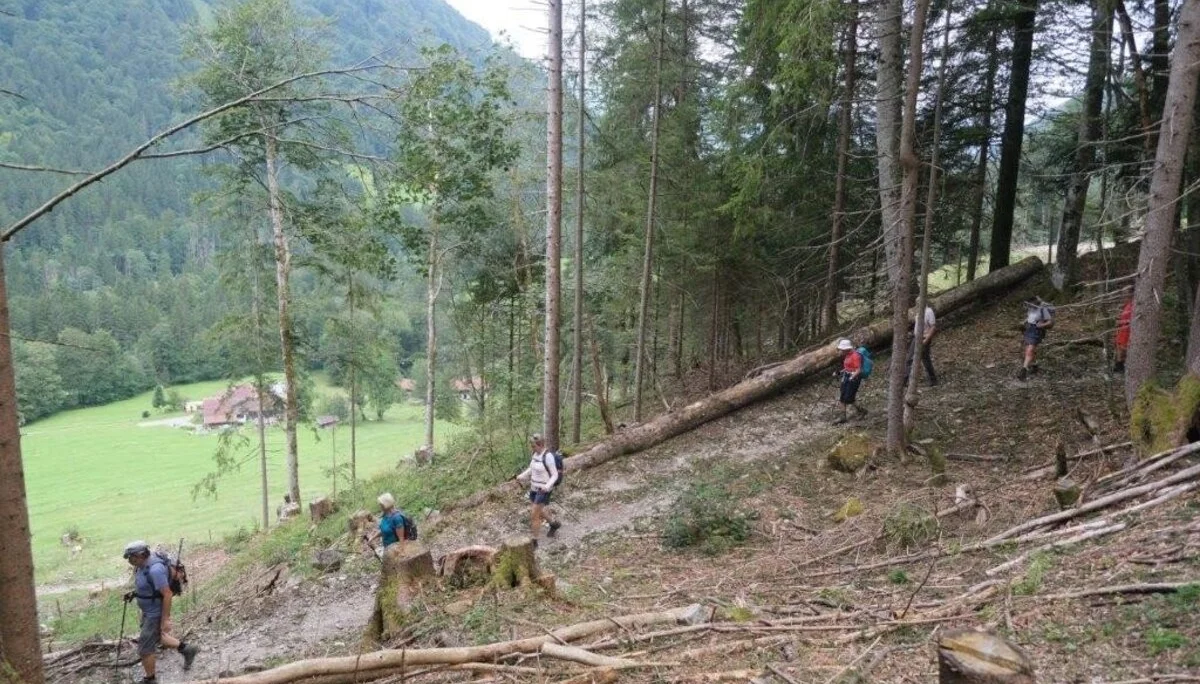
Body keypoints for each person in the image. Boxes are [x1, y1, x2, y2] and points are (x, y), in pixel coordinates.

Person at [122, 541, 199, 683]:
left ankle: (150, 679)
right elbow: (149, 587)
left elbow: (167, 594)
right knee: (157, 637)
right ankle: (188, 649)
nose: (129, 561)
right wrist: (135, 593)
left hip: (154, 613)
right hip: (148, 610)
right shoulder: (141, 566)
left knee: (145, 648)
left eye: (130, 557)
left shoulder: (155, 570)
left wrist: (165, 619)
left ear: (139, 555)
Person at [515, 434, 561, 543]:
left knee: (534, 515)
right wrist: (521, 476)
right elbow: (531, 469)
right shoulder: (535, 455)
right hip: (533, 488)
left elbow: (555, 475)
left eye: (533, 446)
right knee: (539, 512)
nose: (532, 448)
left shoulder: (548, 457)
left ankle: (534, 541)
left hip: (543, 490)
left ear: (540, 445)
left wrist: (547, 486)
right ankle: (553, 524)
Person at [1018, 298, 1055, 381]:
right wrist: (1024, 322)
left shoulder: (1043, 310)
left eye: (1031, 304)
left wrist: (1041, 326)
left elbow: (1050, 322)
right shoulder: (1031, 309)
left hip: (1037, 331)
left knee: (1030, 349)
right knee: (1028, 349)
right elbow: (1030, 318)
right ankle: (1034, 366)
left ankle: (1023, 371)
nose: (1029, 306)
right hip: (1029, 329)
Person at [834, 339, 868, 424]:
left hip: (854, 379)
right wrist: (839, 372)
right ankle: (843, 417)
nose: (841, 351)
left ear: (847, 349)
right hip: (846, 377)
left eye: (842, 349)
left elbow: (858, 370)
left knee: (849, 398)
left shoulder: (855, 356)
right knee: (842, 397)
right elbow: (848, 367)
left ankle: (862, 411)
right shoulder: (847, 355)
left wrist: (851, 377)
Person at [906, 305, 939, 386]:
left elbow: (933, 327)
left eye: (918, 302)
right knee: (912, 358)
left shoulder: (929, 311)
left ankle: (933, 380)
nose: (917, 304)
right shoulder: (919, 311)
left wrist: (926, 340)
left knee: (924, 359)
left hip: (923, 338)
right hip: (916, 337)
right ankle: (904, 380)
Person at [1114, 297, 1133, 373]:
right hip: (1122, 328)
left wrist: (1122, 322)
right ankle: (1119, 364)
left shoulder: (1134, 305)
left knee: (1124, 347)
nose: (1123, 296)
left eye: (1125, 293)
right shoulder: (1127, 305)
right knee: (1119, 345)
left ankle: (1123, 365)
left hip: (1127, 329)